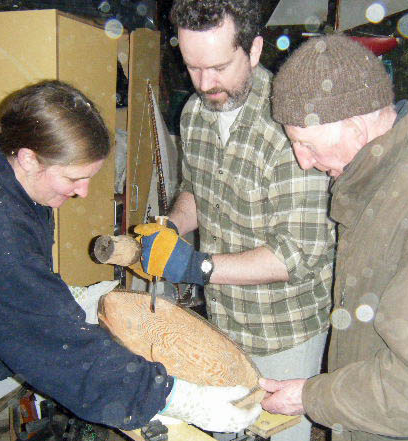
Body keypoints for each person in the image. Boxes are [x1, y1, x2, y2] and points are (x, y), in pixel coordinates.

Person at [0, 80, 261, 441]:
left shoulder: (1, 167)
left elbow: (10, 280)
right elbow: (54, 348)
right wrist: (176, 397)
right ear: (28, 157)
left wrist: (56, 298)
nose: (83, 192)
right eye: (75, 178)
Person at [134, 2, 335, 441]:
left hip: (285, 329)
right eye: (192, 67)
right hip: (223, 321)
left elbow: (295, 256)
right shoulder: (194, 113)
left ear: (255, 48)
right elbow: (195, 191)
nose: (206, 84)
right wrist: (170, 228)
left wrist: (198, 267)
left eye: (220, 67)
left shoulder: (292, 125)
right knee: (224, 430)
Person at [261, 34, 408, 441]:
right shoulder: (379, 175)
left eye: (306, 144)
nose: (303, 162)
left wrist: (312, 397)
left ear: (355, 125)